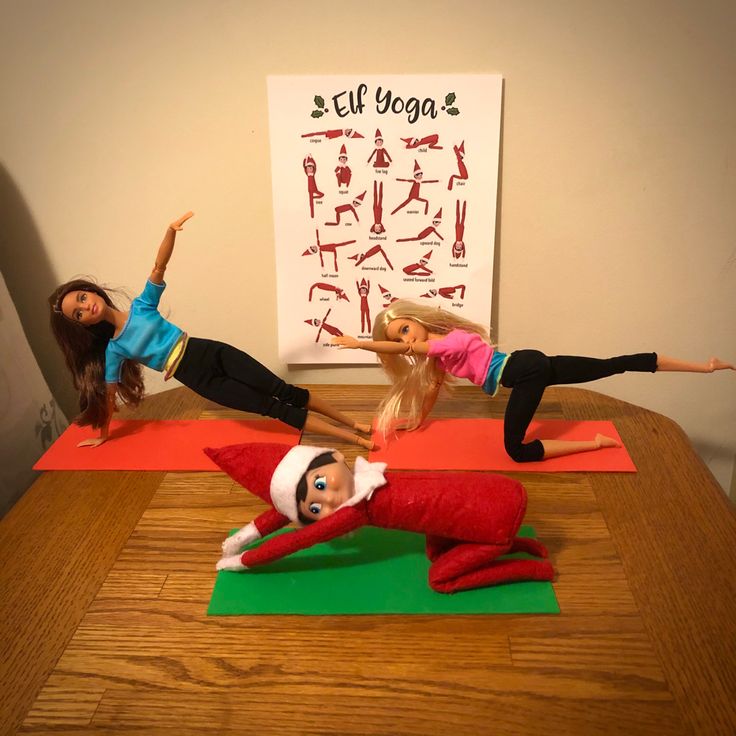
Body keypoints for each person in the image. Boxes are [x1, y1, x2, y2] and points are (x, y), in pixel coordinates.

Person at [49, 212, 373, 450]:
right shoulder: (114, 351)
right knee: (272, 408)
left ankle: (351, 422)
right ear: (84, 325)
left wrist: (170, 231)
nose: (85, 306)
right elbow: (107, 396)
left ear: (92, 291)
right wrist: (103, 433)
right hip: (197, 378)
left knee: (282, 389)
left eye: (82, 298)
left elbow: (158, 267)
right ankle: (352, 438)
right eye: (78, 313)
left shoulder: (141, 305)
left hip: (209, 351)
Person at [330, 299, 735, 462]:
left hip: (524, 372)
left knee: (515, 451)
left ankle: (593, 443)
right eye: (398, 335)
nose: (405, 339)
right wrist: (420, 418)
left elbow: (407, 354)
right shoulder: (437, 354)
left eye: (404, 329)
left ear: (415, 322)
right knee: (613, 364)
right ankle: (708, 366)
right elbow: (433, 386)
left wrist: (359, 344)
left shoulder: (441, 342)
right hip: (531, 365)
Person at [212, 442, 554, 593]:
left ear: (332, 461)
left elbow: (296, 540)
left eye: (321, 483)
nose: (328, 497)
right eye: (315, 506)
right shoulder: (365, 479)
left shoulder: (356, 509)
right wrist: (243, 539)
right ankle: (520, 543)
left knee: (440, 579)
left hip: (491, 518)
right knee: (436, 549)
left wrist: (243, 561)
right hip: (495, 490)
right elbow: (284, 516)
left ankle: (534, 568)